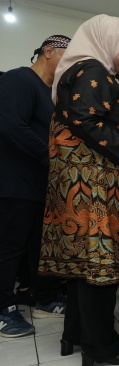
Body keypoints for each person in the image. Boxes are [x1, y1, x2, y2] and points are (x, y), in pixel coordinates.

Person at [39, 14, 119, 364]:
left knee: (84, 269)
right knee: (101, 270)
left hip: (83, 185)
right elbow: (86, 121)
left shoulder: (77, 70)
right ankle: (101, 348)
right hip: (95, 189)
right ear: (107, 39)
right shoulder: (93, 69)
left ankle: (74, 336)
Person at [0, 34, 71, 338]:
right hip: (13, 183)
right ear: (48, 50)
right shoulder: (20, 79)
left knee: (35, 248)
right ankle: (3, 310)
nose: (69, 65)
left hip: (38, 185)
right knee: (8, 248)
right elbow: (10, 124)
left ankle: (41, 297)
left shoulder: (49, 92)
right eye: (66, 57)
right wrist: (51, 155)